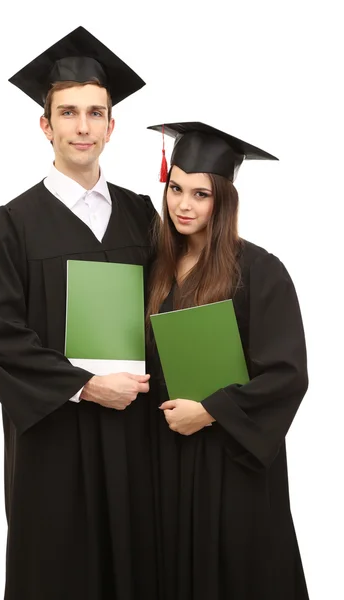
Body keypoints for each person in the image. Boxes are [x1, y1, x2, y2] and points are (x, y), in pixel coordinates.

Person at [0, 26, 159, 600]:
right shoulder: (11, 224)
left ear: (111, 124)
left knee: (139, 564)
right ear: (46, 124)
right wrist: (84, 386)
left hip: (136, 436)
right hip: (54, 439)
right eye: (69, 112)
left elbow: (174, 309)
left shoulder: (142, 216)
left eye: (96, 113)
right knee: (58, 568)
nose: (83, 126)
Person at [146, 121, 309, 600]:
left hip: (231, 465)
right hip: (167, 458)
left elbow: (287, 374)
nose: (184, 204)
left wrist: (210, 410)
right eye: (176, 188)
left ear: (224, 200)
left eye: (201, 194)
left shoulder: (259, 270)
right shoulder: (152, 268)